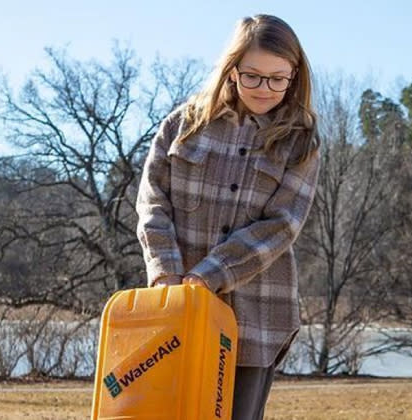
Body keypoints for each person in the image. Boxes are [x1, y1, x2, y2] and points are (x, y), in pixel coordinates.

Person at [135, 14, 320, 420]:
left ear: (294, 77)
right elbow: (152, 201)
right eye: (253, 76)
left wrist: (208, 275)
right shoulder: (182, 126)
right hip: (174, 311)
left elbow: (281, 225)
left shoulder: (300, 141)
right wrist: (168, 273)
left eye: (278, 78)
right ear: (232, 69)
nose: (265, 89)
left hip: (256, 319)